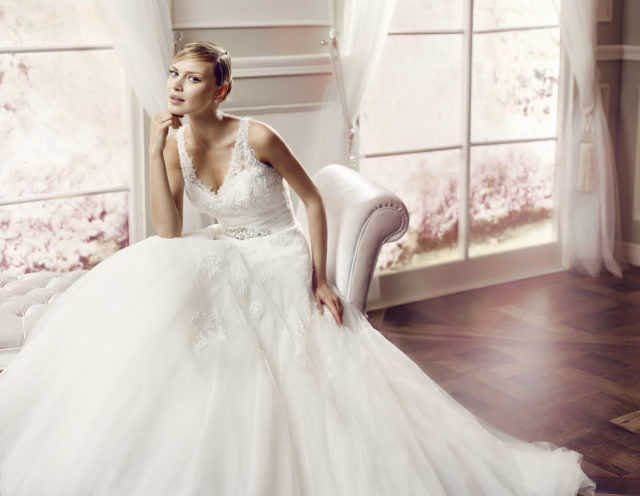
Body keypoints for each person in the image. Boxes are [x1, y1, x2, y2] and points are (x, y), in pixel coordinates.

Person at [0, 41, 595, 496]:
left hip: (279, 251)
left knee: (251, 328)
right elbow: (168, 231)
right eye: (174, 75)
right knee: (161, 278)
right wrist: (155, 153)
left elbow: (311, 201)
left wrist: (319, 277)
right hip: (228, 246)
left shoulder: (257, 137)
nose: (177, 87)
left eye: (193, 78)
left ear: (221, 90)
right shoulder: (174, 145)